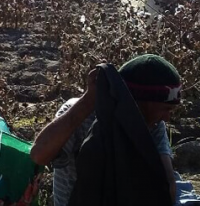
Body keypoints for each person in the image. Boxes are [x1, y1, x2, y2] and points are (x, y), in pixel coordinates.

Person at [30, 54, 181, 206]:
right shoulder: (79, 114)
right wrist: (89, 100)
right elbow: (39, 155)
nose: (167, 118)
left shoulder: (152, 124)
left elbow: (167, 183)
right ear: (138, 103)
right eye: (165, 109)